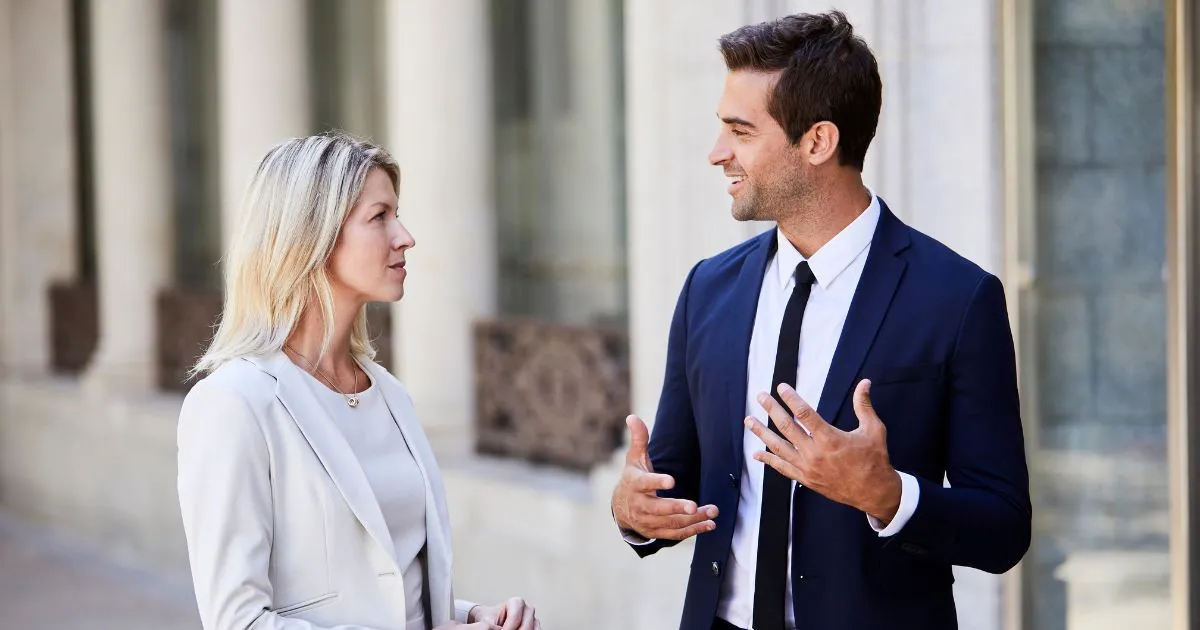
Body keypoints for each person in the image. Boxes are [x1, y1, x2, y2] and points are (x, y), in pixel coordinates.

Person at [609, 11, 1031, 630]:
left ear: (817, 142)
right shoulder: (708, 289)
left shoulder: (958, 299)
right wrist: (633, 511)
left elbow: (1003, 529)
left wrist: (886, 494)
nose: (717, 152)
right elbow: (673, 486)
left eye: (740, 131)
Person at [177, 132, 540, 630]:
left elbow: (389, 592)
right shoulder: (233, 403)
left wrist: (474, 615)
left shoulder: (389, 395)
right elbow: (238, 621)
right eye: (379, 216)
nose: (405, 236)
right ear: (314, 236)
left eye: (397, 214)